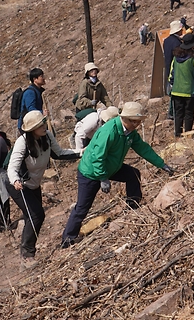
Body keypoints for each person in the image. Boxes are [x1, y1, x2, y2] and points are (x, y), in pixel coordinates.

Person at [61, 102, 174, 248]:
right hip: (91, 172)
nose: (136, 124)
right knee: (82, 207)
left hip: (111, 167)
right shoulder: (109, 131)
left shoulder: (130, 132)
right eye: (133, 121)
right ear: (124, 118)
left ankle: (133, 207)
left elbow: (143, 148)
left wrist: (161, 164)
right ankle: (67, 239)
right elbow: (97, 156)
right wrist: (103, 178)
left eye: (138, 121)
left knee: (133, 174)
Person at [6, 111, 81, 263]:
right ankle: (27, 256)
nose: (43, 126)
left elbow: (59, 153)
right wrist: (15, 180)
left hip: (34, 184)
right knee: (37, 215)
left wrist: (81, 152)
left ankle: (24, 252)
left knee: (31, 216)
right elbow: (11, 168)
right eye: (39, 124)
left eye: (43, 123)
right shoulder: (22, 142)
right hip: (17, 184)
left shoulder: (47, 136)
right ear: (31, 128)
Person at [168, 32, 194, 137]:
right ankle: (188, 135)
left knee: (178, 114)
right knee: (188, 114)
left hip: (177, 91)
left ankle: (177, 134)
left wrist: (173, 85)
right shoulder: (193, 59)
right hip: (189, 91)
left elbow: (171, 75)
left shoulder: (175, 59)